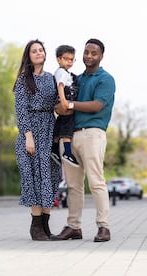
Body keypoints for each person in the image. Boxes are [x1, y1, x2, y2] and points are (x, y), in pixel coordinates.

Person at [52, 38, 116, 242]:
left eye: (94, 53)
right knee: (73, 185)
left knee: (96, 182)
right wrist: (58, 106)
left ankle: (103, 227)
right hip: (69, 135)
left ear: (101, 56)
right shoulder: (76, 78)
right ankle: (74, 227)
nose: (89, 56)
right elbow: (61, 102)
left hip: (93, 134)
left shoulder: (106, 79)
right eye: (86, 52)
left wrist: (69, 105)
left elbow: (97, 105)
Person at [13, 39, 61, 241]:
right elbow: (21, 111)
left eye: (41, 50)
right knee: (32, 177)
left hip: (49, 128)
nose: (39, 53)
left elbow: (58, 103)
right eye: (35, 51)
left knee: (50, 175)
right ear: (29, 56)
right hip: (30, 133)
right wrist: (28, 136)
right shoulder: (24, 80)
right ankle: (35, 227)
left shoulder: (51, 78)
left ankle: (46, 226)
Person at [51, 45, 80, 168]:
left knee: (59, 125)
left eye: (72, 59)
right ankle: (67, 152)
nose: (69, 62)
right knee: (68, 124)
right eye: (66, 59)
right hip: (66, 99)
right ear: (58, 59)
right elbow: (61, 86)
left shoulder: (66, 73)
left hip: (66, 99)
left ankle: (55, 150)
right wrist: (64, 101)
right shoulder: (61, 72)